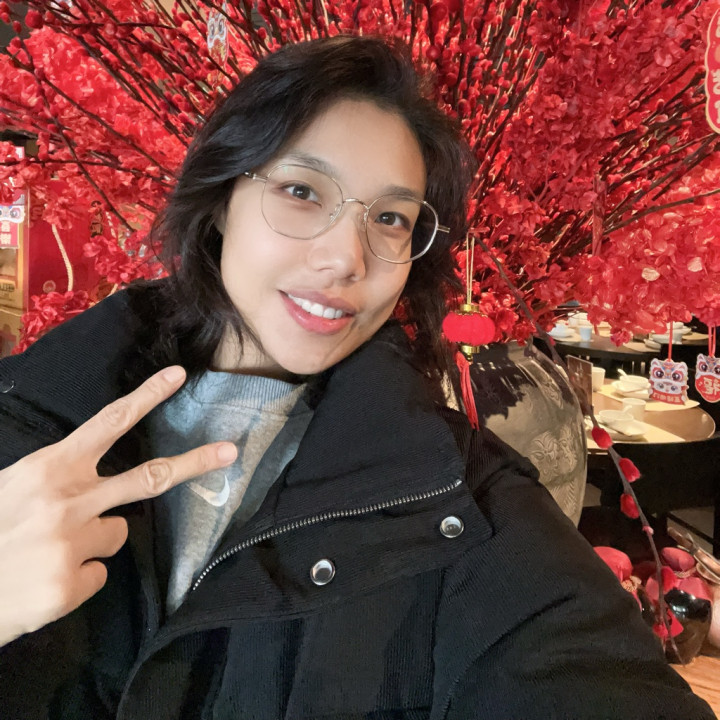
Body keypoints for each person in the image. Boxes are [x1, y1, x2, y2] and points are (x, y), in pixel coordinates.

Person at [0, 36, 713, 720]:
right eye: (301, 191)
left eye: (391, 218)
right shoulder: (28, 418)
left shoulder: (458, 498)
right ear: (220, 198)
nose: (348, 257)